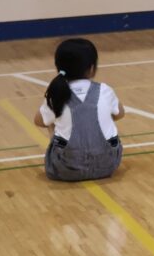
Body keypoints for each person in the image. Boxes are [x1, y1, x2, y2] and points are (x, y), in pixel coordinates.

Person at [32, 38, 125, 182]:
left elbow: (38, 121)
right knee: (108, 116)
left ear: (59, 68)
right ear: (92, 68)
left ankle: (69, 155)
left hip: (65, 170)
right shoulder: (104, 90)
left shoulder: (57, 94)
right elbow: (120, 114)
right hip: (108, 165)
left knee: (51, 121)